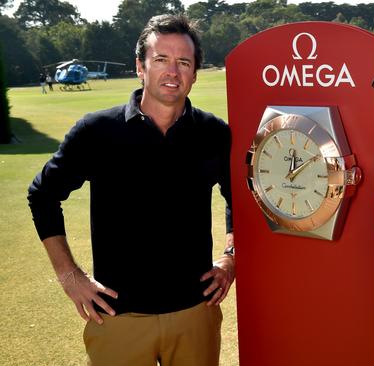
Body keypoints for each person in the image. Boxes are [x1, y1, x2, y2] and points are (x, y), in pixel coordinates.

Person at [27, 14, 235, 366]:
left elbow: (241, 201)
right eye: (161, 60)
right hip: (117, 317)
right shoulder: (96, 131)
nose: (173, 72)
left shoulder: (214, 133)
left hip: (194, 314)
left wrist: (232, 258)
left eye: (184, 62)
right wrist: (70, 276)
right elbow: (43, 194)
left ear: (195, 72)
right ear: (141, 66)